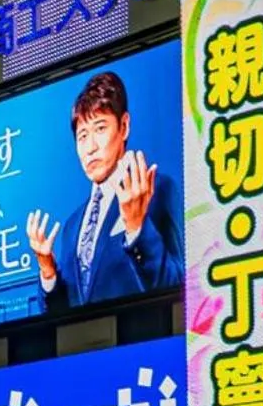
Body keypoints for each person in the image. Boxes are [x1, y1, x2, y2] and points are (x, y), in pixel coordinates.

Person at [25, 71, 182, 311]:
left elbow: (179, 288)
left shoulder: (156, 190)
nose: (90, 147)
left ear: (124, 126)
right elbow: (59, 318)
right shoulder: (72, 227)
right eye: (82, 136)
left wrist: (137, 229)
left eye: (100, 128)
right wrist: (47, 270)